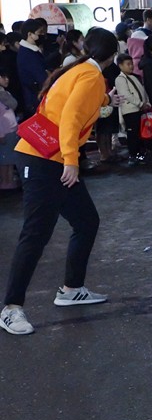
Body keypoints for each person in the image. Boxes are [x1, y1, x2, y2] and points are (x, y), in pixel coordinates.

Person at [2, 29, 122, 336]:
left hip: (46, 155)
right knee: (36, 233)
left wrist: (107, 99)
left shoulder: (80, 70)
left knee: (86, 221)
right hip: (46, 160)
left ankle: (71, 289)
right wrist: (71, 160)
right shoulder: (91, 76)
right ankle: (10, 308)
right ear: (112, 57)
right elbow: (70, 117)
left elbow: (73, 104)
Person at [113, 53, 151, 166]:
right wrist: (140, 103)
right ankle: (133, 155)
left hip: (139, 109)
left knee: (139, 132)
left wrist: (146, 102)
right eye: (128, 64)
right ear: (120, 66)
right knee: (133, 133)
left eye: (131, 64)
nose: (131, 66)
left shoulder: (134, 77)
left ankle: (140, 153)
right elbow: (126, 94)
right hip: (130, 110)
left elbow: (143, 91)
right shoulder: (120, 79)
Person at [16, 18, 48, 115]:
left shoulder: (30, 50)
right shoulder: (28, 54)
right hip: (35, 98)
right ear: (30, 34)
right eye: (39, 33)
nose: (42, 35)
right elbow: (41, 77)